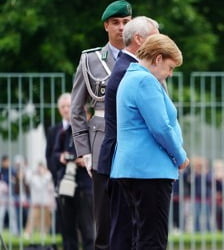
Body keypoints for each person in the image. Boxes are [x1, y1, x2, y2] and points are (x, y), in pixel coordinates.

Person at [110, 34, 190, 249]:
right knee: (153, 239)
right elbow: (161, 127)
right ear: (158, 59)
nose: (170, 74)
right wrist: (180, 156)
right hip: (150, 170)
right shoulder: (145, 80)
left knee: (140, 235)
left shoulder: (130, 77)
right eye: (170, 67)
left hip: (132, 168)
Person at [70, 1, 132, 249]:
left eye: (126, 22)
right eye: (116, 23)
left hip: (133, 141)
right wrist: (83, 151)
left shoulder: (144, 56)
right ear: (106, 26)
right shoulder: (91, 59)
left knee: (133, 217)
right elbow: (76, 109)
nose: (121, 28)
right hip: (100, 143)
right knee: (104, 221)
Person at [98, 16, 159, 249]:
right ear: (139, 39)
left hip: (119, 159)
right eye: (155, 38)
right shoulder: (130, 71)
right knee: (125, 232)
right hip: (123, 160)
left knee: (126, 229)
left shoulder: (126, 67)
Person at [53, 93, 94, 250]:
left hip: (85, 186)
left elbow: (96, 154)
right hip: (67, 184)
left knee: (88, 230)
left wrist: (85, 160)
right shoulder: (65, 131)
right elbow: (56, 153)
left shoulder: (91, 129)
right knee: (68, 229)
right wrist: (63, 157)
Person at [45, 92, 71, 234]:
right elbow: (49, 156)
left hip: (82, 184)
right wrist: (58, 176)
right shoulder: (53, 131)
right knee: (65, 224)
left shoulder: (82, 127)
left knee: (85, 225)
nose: (66, 109)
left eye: (69, 106)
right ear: (59, 109)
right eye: (63, 106)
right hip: (61, 181)